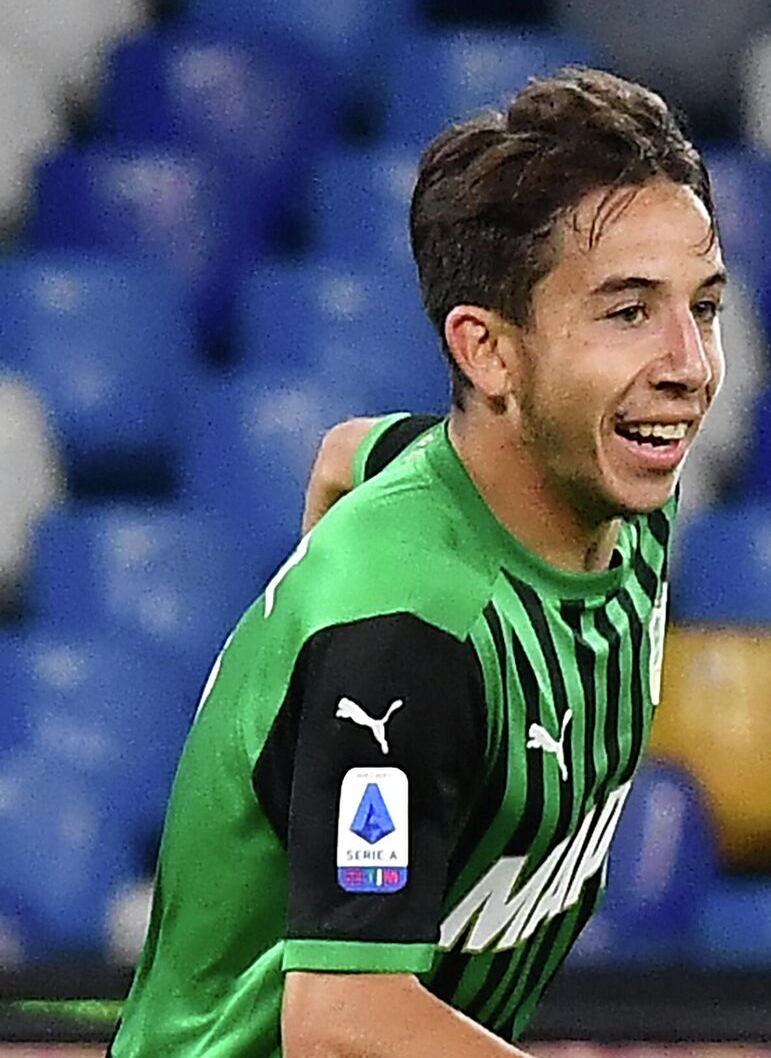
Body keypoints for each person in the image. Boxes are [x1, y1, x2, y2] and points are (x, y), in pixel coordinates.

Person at [111, 66, 726, 1056]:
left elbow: (344, 452)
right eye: (627, 312)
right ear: (488, 354)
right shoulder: (407, 651)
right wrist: (346, 625)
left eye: (703, 308)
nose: (689, 365)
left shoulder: (616, 474)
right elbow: (340, 1026)